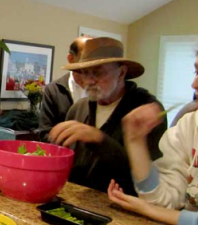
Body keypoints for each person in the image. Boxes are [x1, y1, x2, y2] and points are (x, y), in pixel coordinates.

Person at [49, 37, 167, 196]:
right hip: (77, 205)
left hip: (123, 211)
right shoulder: (78, 109)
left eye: (98, 73)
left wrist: (99, 139)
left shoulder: (146, 111)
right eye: (85, 73)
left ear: (122, 72)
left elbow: (148, 180)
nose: (89, 81)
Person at [108, 45, 198, 225]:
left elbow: (158, 209)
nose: (195, 83)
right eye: (197, 71)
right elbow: (163, 200)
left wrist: (151, 211)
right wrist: (135, 142)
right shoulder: (189, 127)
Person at [39, 36, 91, 141]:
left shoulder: (100, 90)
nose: (91, 61)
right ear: (71, 59)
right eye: (86, 56)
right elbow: (45, 133)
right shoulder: (53, 90)